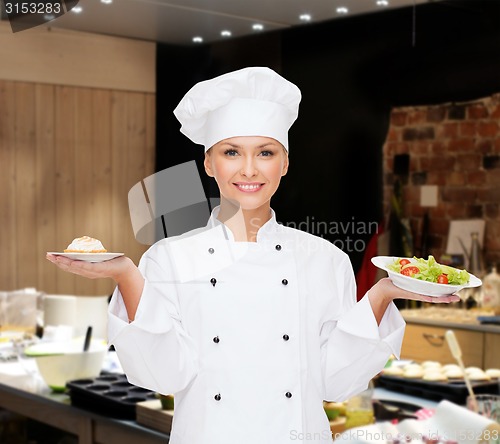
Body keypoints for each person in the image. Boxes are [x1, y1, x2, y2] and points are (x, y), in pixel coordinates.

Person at [47, 67, 459, 444]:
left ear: (284, 163)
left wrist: (382, 294)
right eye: (231, 153)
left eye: (265, 152)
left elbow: (334, 383)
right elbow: (162, 375)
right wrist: (127, 276)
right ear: (208, 164)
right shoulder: (168, 259)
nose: (249, 170)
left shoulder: (325, 259)